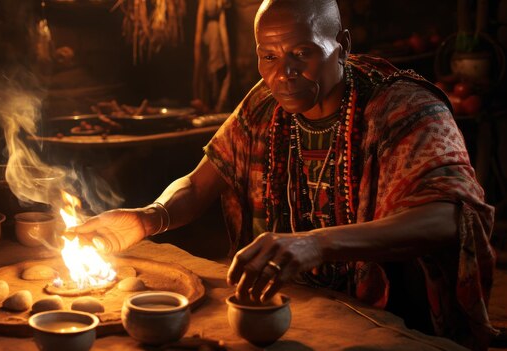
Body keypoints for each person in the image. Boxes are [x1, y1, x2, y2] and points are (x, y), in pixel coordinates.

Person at [71, 0, 496, 349]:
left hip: (388, 321)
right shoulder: (264, 103)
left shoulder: (404, 108)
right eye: (268, 56)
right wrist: (148, 217)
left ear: (342, 44)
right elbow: (201, 182)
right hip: (290, 311)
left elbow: (454, 217)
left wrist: (317, 244)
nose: (283, 73)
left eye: (302, 53)